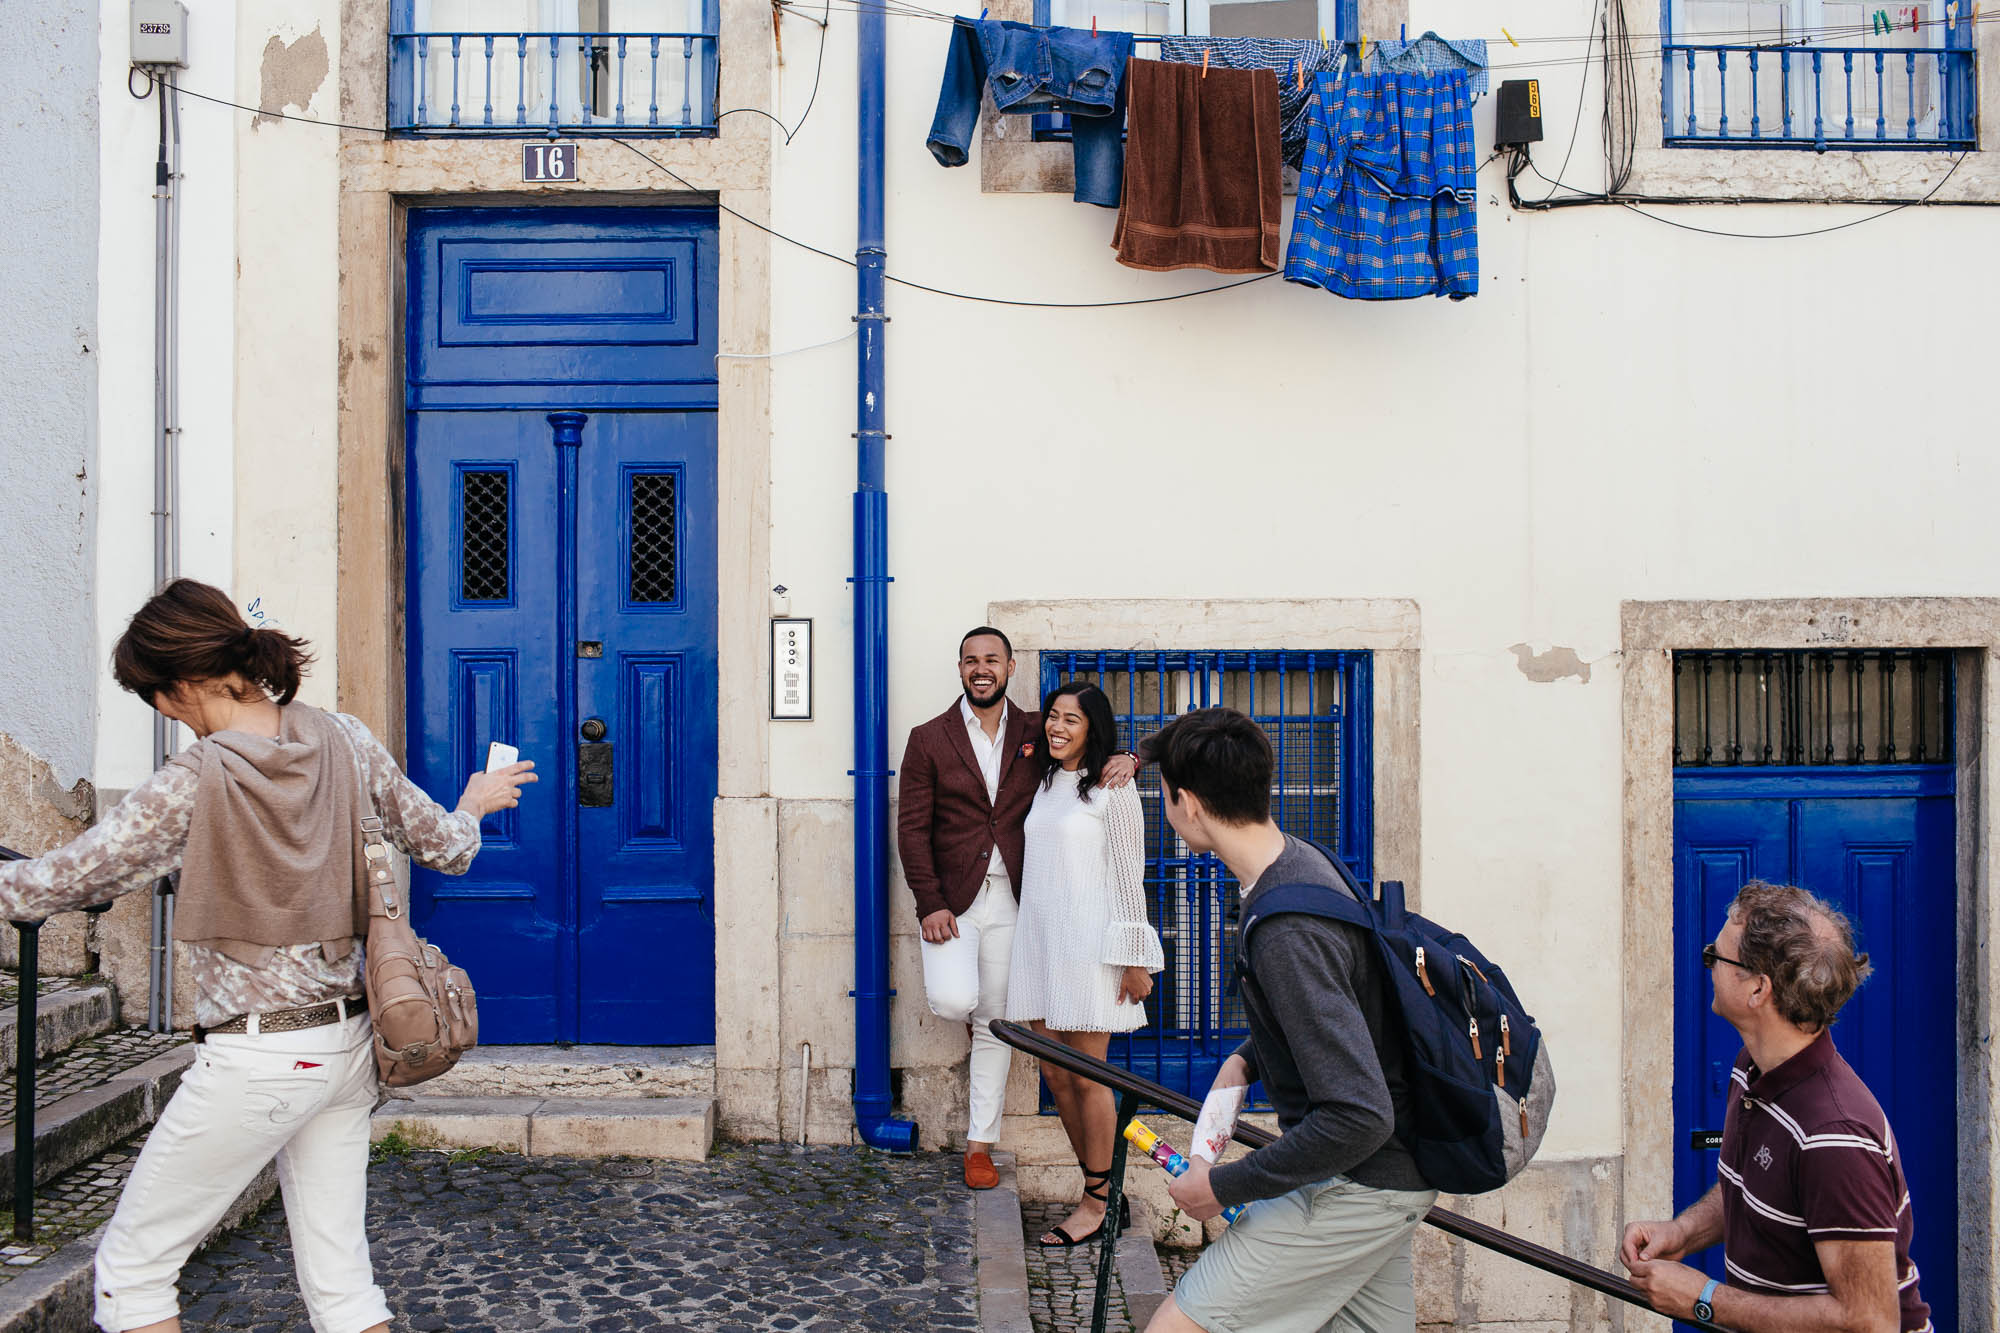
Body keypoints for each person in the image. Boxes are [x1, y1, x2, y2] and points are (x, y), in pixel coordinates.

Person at [0, 579, 535, 1333]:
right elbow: (446, 847)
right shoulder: (345, 736)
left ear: (183, 683)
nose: (161, 713)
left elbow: (61, 880)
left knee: (133, 1274)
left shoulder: (191, 781)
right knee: (345, 1289)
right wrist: (475, 800)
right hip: (353, 1044)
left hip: (260, 1057)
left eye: (154, 695)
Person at [1136, 707, 1435, 1333]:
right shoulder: (1305, 864)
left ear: (1187, 802)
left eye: (1163, 798)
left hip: (1356, 1186)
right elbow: (1341, 1004)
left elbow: (1359, 1114)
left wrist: (1224, 1187)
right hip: (1394, 1178)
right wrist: (1247, 1056)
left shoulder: (1285, 927)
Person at [1620, 881, 1927, 1333]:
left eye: (1715, 957)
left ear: (1758, 989)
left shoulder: (1834, 1136)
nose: (1707, 966)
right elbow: (1746, 1192)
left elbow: (1869, 1320)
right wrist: (1682, 1232)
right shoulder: (1752, 1068)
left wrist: (1702, 1298)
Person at [895, 627, 1136, 1191]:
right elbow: (911, 829)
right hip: (953, 903)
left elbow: (1092, 740)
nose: (983, 669)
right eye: (972, 661)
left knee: (995, 1024)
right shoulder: (928, 738)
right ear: (959, 668)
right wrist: (928, 901)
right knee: (956, 1000)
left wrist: (1131, 756)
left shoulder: (1038, 727)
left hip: (1018, 903)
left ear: (1009, 668)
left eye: (993, 660)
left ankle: (979, 1145)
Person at [1005, 680, 1163, 1246]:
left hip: (1092, 947)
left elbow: (1129, 880)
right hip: (1043, 944)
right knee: (1054, 1072)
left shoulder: (1112, 788)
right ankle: (1102, 1188)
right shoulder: (1046, 782)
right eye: (1053, 717)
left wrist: (1134, 960)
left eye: (1072, 720)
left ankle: (1097, 1202)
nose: (1057, 727)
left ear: (1093, 728)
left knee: (1089, 1076)